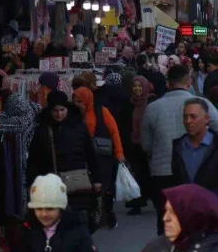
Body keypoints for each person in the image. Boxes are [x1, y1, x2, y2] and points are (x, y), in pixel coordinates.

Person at [141, 65, 218, 235]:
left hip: (161, 171)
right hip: (192, 170)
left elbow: (145, 145)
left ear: (168, 83)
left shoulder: (152, 108)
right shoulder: (200, 105)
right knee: (193, 223)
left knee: (166, 225)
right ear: (188, 82)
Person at [27, 91, 100, 220]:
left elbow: (90, 154)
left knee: (79, 220)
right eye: (55, 110)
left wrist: (96, 179)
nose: (59, 114)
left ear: (67, 109)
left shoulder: (78, 126)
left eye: (62, 110)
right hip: (51, 183)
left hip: (77, 183)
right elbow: (34, 160)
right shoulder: (42, 130)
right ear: (50, 110)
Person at [72, 86, 125, 230]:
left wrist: (119, 153)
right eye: (75, 101)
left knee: (104, 187)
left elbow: (114, 132)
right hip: (83, 156)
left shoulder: (101, 111)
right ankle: (93, 215)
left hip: (102, 157)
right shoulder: (73, 115)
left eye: (80, 101)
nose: (77, 104)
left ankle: (107, 212)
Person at [171, 98, 218, 211]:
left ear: (206, 119)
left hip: (213, 213)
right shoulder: (178, 146)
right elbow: (176, 180)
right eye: (185, 117)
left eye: (193, 116)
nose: (188, 121)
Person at [142, 184, 218, 252]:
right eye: (166, 211)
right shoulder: (155, 247)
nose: (165, 218)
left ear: (195, 216)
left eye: (174, 212)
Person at [23, 174, 94, 252]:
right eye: (39, 209)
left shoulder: (78, 231)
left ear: (61, 208)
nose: (44, 214)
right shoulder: (29, 230)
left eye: (50, 209)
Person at [121, 75, 153, 216]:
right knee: (137, 174)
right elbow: (124, 125)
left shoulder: (151, 102)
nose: (137, 88)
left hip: (149, 145)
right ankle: (138, 203)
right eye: (135, 86)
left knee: (151, 174)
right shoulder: (128, 104)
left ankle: (157, 201)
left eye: (140, 86)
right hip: (133, 145)